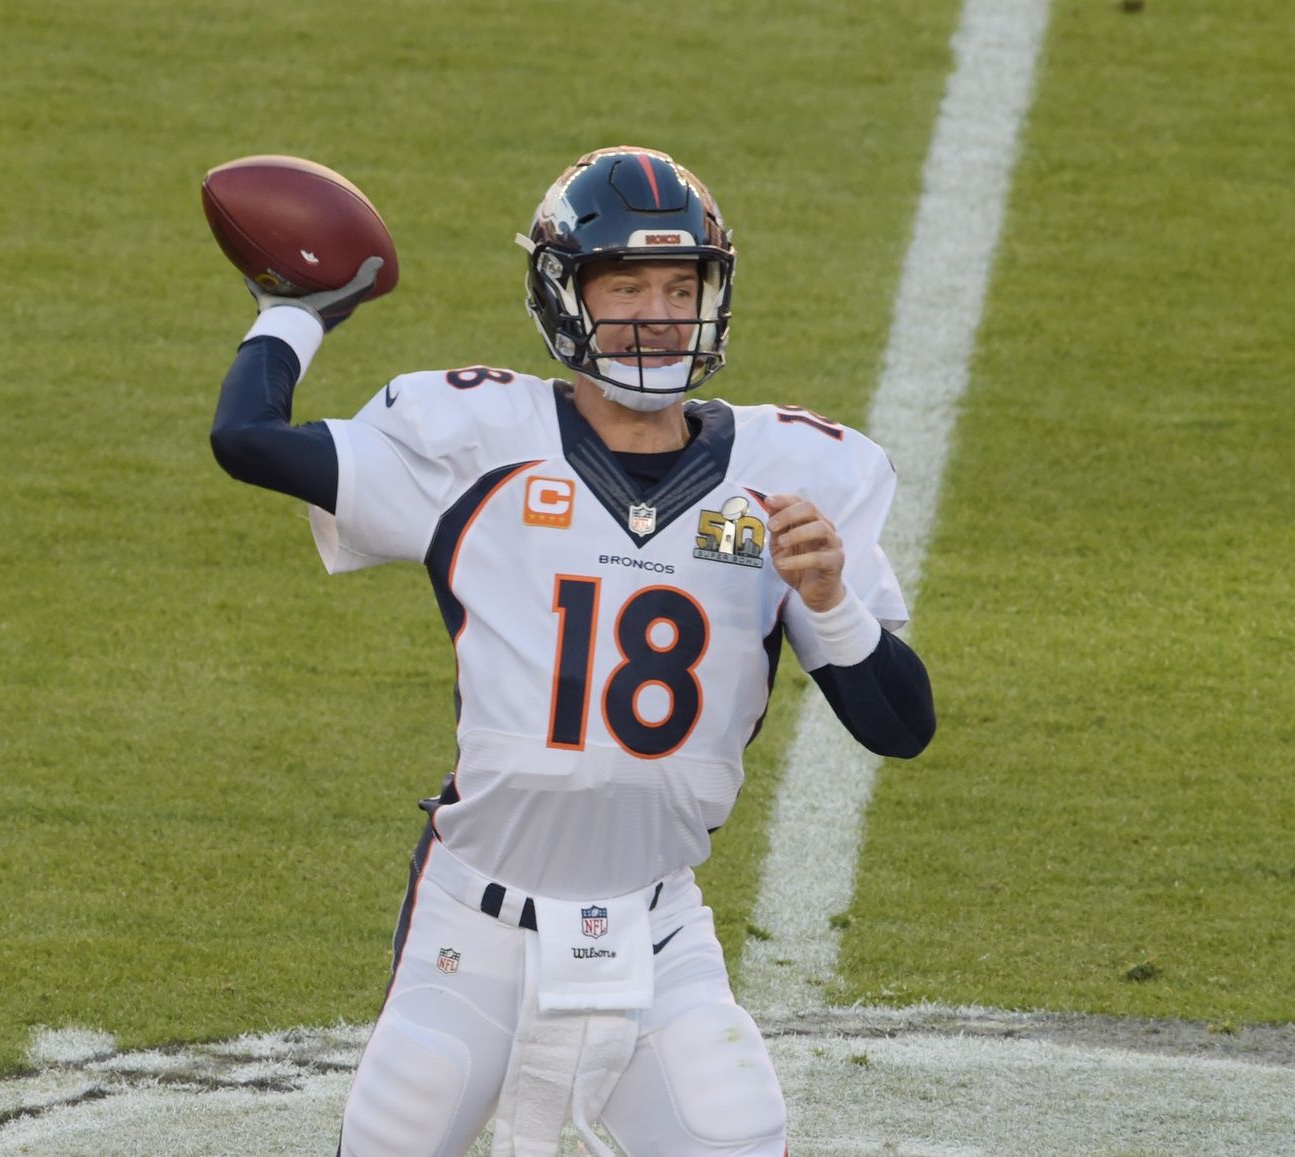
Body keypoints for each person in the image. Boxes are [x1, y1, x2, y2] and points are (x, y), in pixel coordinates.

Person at [210, 146, 935, 1157]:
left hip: (657, 924)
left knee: (739, 1133)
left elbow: (901, 725)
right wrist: (298, 308)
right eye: (626, 285)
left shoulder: (789, 480)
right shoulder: (478, 441)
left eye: (681, 288)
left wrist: (831, 599)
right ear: (566, 299)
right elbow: (245, 438)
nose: (656, 313)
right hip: (477, 920)